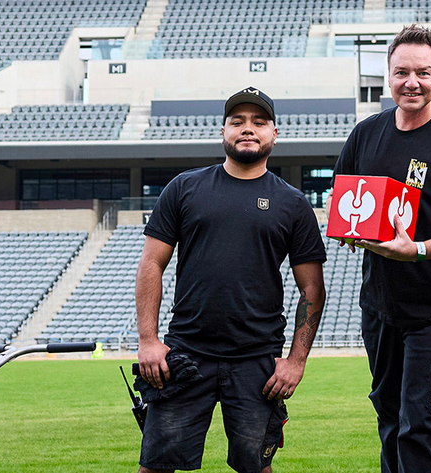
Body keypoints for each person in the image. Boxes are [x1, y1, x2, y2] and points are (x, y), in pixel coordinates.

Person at [134, 87, 328, 473]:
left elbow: (313, 289)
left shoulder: (293, 203)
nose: (248, 129)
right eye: (237, 121)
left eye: (259, 122)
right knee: (155, 466)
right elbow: (151, 265)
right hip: (186, 353)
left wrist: (296, 361)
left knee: (255, 467)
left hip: (257, 359)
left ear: (275, 133)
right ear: (223, 131)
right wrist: (148, 341)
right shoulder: (185, 188)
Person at [333, 25, 431, 473]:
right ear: (387, 75)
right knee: (388, 418)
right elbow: (346, 202)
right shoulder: (366, 134)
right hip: (379, 307)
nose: (412, 82)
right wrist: (350, 230)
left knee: (420, 425)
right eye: (401, 72)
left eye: (422, 72)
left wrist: (418, 250)